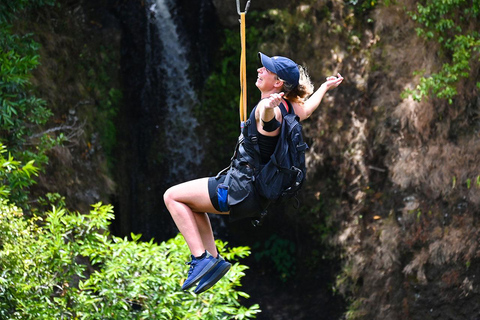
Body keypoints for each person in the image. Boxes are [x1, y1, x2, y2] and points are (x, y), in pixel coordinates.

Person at [163, 52, 343, 294]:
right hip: (254, 195)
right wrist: (324, 87)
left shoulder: (268, 109)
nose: (259, 70)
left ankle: (201, 258)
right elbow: (308, 109)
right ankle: (212, 259)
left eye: (266, 69)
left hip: (238, 189)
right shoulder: (291, 107)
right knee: (193, 204)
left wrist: (267, 108)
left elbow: (267, 120)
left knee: (171, 196)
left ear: (278, 82)